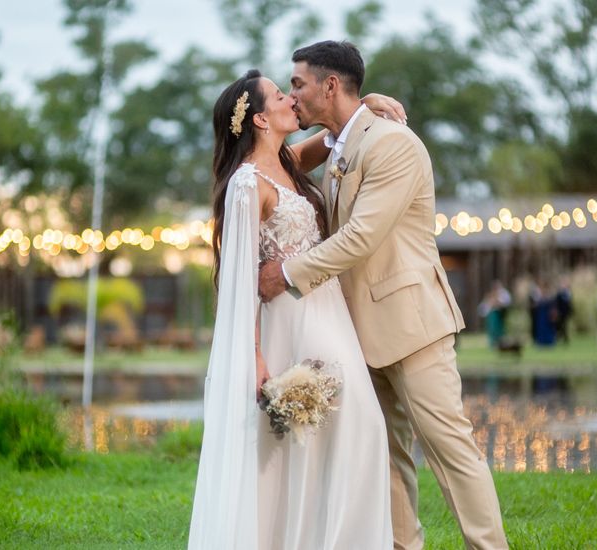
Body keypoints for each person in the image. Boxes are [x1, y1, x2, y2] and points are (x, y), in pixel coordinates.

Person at [258, 41, 508, 550]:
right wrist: (362, 105)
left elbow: (360, 237)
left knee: (449, 450)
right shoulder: (341, 142)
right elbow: (280, 166)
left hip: (411, 326)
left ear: (330, 86)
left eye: (299, 84)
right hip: (358, 333)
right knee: (386, 456)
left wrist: (285, 273)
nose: (293, 95)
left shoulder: (392, 144)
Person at [188, 69, 405, 550]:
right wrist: (256, 355)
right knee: (346, 427)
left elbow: (339, 132)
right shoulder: (247, 185)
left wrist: (366, 100)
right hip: (291, 318)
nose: (293, 100)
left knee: (350, 431)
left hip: (328, 311)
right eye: (282, 95)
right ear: (261, 119)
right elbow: (241, 280)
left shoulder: (289, 163)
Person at [479, 280, 511, 348]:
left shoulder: (503, 294)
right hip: (492, 315)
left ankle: (500, 343)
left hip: (500, 315)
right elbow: (483, 309)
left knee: (499, 330)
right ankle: (493, 344)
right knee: (492, 330)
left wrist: (497, 303)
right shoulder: (490, 296)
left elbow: (506, 303)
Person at [554, 279, 573, 345]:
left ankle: (565, 339)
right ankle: (559, 338)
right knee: (559, 326)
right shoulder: (559, 294)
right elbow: (556, 303)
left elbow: (570, 304)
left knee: (565, 326)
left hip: (565, 313)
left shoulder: (568, 293)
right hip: (560, 313)